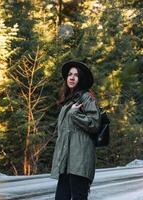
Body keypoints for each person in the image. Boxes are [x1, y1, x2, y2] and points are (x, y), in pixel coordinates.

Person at [50, 61, 101, 200]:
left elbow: (95, 123)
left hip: (80, 160)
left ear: (81, 79)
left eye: (76, 75)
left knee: (79, 197)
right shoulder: (68, 101)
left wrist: (74, 114)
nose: (71, 78)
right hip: (66, 160)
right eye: (69, 74)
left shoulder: (86, 98)